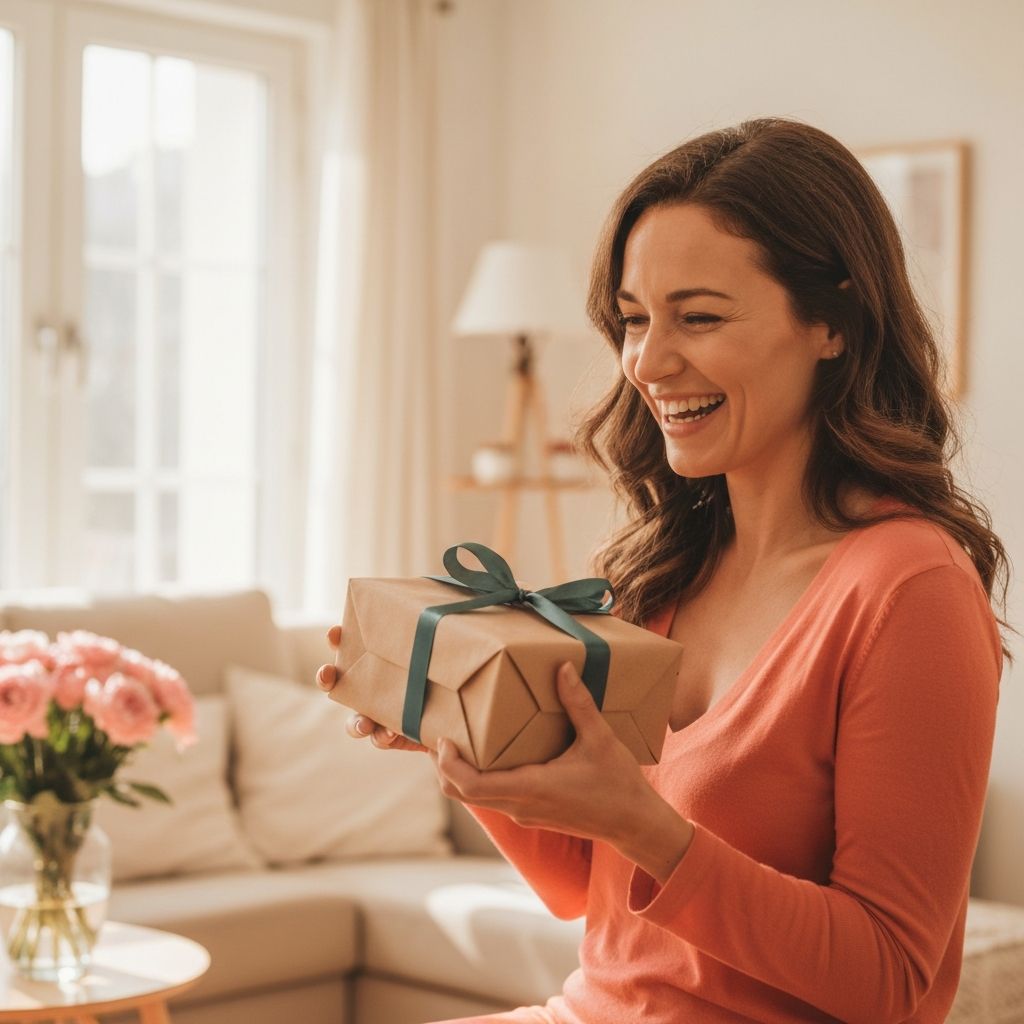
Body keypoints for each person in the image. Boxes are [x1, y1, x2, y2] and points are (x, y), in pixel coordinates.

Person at [316, 117, 1010, 1024]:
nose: (647, 362)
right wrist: (463, 740)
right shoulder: (669, 569)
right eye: (635, 319)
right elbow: (582, 888)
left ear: (832, 323)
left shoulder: (909, 589)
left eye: (700, 317)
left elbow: (889, 983)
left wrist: (644, 825)